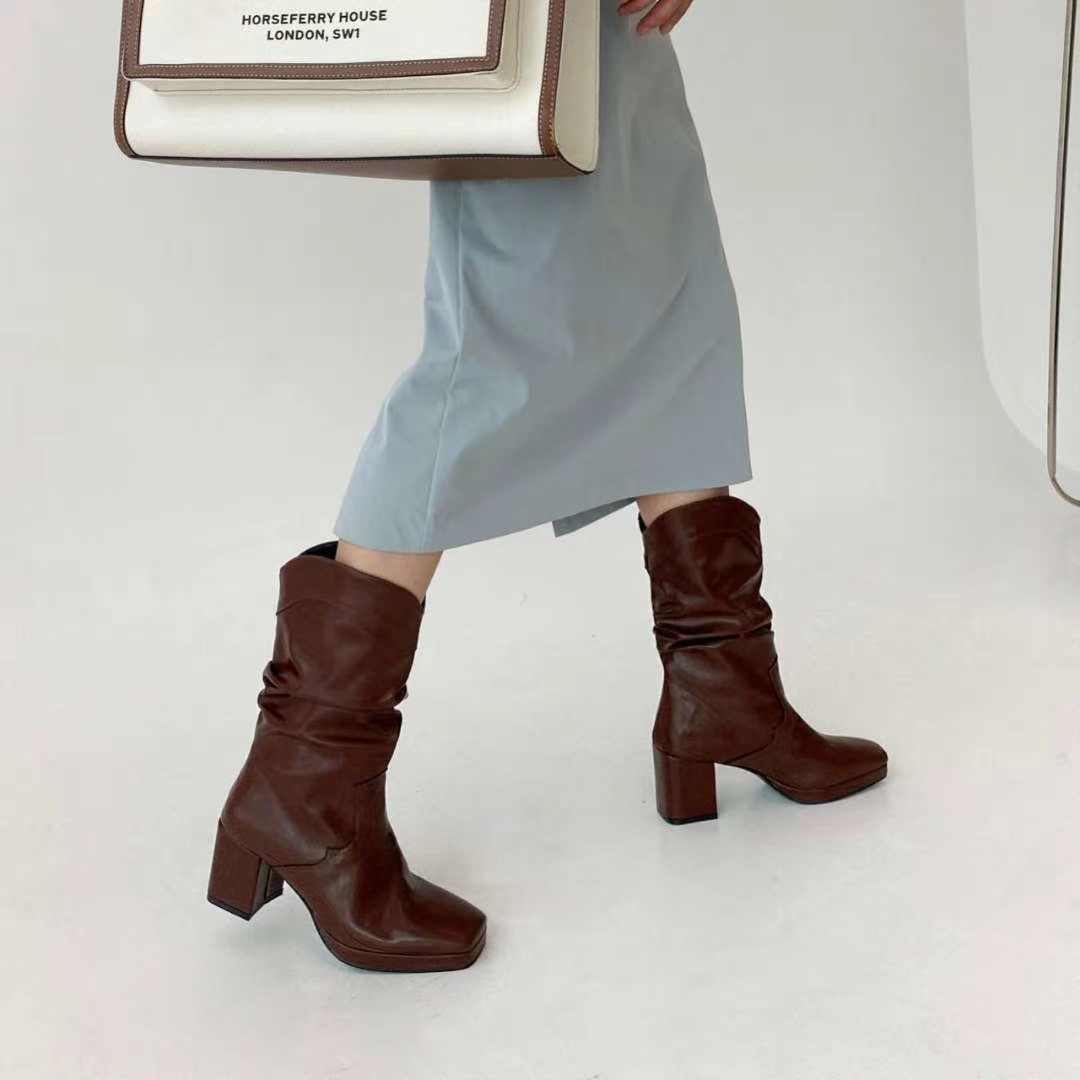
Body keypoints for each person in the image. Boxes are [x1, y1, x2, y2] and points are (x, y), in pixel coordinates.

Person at [205, 0, 888, 972]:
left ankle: (725, 693)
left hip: (614, 37)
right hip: (526, 24)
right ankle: (303, 785)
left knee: (677, 311)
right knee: (485, 367)